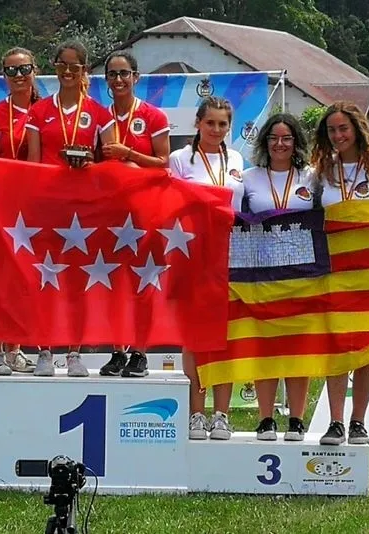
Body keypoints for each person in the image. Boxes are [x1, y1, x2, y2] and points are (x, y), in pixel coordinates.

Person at [309, 101, 369, 445]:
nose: (337, 136)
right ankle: (335, 422)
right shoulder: (320, 172)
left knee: (366, 347)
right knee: (336, 347)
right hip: (333, 269)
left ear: (358, 129)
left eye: (343, 129)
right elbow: (301, 206)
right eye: (331, 130)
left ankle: (358, 422)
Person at [25, 40, 115, 378]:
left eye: (74, 67)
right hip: (48, 204)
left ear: (84, 71)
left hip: (84, 208)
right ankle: (45, 350)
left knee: (78, 280)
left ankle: (75, 352)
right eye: (61, 65)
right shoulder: (39, 111)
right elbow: (32, 162)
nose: (67, 71)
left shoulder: (98, 112)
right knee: (48, 278)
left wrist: (90, 163)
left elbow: (109, 160)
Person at [168, 96, 244, 440]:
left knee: (224, 338)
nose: (216, 130)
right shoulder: (180, 159)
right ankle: (196, 413)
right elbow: (173, 204)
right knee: (194, 337)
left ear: (230, 127)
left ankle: (222, 414)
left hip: (229, 257)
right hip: (192, 256)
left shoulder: (238, 159)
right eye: (210, 122)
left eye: (222, 124)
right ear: (198, 123)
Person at [96, 50, 171, 379]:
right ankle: (117, 350)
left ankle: (140, 351)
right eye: (112, 74)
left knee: (143, 282)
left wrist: (129, 154)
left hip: (145, 211)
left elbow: (164, 162)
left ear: (136, 77)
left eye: (124, 73)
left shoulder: (153, 116)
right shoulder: (99, 117)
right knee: (113, 283)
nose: (119, 80)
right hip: (110, 212)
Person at [241, 113, 314, 441]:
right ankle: (266, 418)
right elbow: (232, 219)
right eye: (273, 138)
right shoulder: (248, 177)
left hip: (304, 276)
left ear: (296, 142)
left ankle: (296, 420)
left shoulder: (312, 177)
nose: (280, 144)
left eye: (286, 138)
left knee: (299, 348)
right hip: (263, 274)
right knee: (266, 347)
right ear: (265, 142)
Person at [0, 47, 41, 377]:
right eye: (11, 71)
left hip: (37, 208)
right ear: (3, 76)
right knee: (0, 281)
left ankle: (17, 348)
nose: (19, 76)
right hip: (4, 207)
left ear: (35, 71)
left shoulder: (48, 110)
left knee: (28, 281)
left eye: (24, 69)